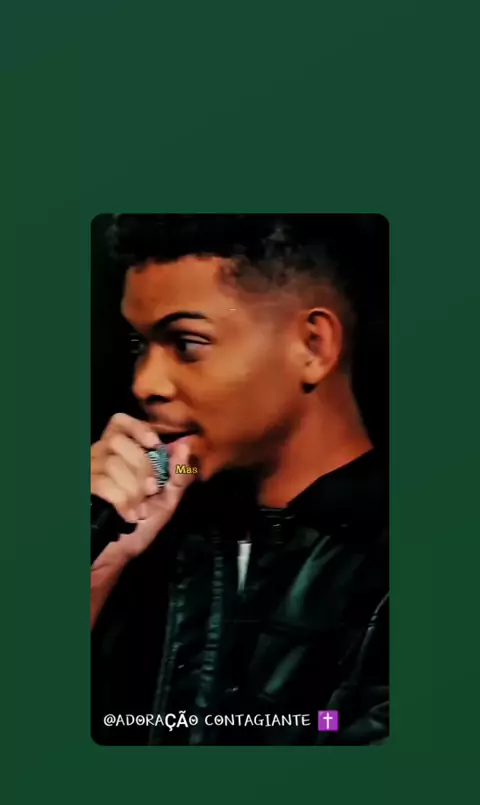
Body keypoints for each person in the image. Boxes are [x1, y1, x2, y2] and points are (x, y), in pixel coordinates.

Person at [91, 214, 389, 746]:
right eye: (140, 346)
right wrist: (99, 564)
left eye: (187, 343)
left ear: (313, 346)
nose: (145, 384)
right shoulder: (148, 535)